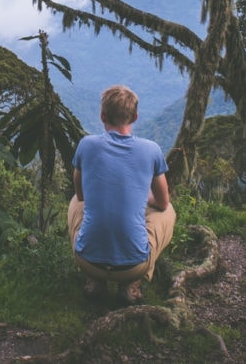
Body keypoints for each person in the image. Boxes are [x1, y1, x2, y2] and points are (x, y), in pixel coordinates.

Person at [67, 85, 176, 304]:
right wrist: (144, 197)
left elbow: (81, 194)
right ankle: (132, 284)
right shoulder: (152, 150)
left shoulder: (86, 145)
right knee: (168, 212)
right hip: (133, 267)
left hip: (87, 261)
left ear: (102, 116)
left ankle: (94, 280)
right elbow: (163, 202)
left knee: (75, 202)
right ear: (135, 117)